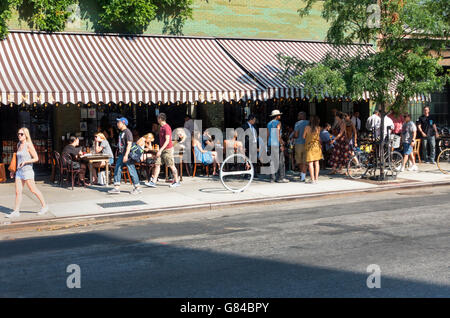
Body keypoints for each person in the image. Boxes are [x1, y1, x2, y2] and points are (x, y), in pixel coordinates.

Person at [6, 128, 49, 218]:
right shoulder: (18, 144)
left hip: (27, 171)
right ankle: (16, 211)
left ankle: (44, 206)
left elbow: (36, 158)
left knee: (33, 190)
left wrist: (26, 162)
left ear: (26, 135)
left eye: (21, 134)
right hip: (19, 172)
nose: (19, 135)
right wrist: (13, 171)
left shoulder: (28, 145)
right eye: (18, 134)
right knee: (18, 192)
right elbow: (18, 159)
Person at [145, 113, 181, 188]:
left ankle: (177, 181)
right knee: (157, 164)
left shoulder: (166, 128)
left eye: (158, 118)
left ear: (160, 119)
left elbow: (168, 140)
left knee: (171, 165)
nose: (157, 120)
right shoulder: (161, 127)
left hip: (167, 149)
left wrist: (160, 150)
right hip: (162, 149)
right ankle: (153, 182)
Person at [108, 117, 141, 195]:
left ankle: (137, 188)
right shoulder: (121, 132)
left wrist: (126, 155)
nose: (117, 124)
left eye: (118, 122)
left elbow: (129, 144)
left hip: (127, 154)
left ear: (123, 123)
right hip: (121, 154)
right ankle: (116, 187)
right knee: (117, 168)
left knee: (131, 170)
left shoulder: (127, 132)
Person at [267, 109, 289, 183]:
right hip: (276, 143)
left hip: (270, 143)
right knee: (281, 161)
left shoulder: (269, 123)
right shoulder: (278, 123)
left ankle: (272, 178)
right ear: (277, 116)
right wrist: (281, 143)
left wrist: (268, 143)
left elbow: (267, 134)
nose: (280, 116)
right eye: (279, 115)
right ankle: (281, 177)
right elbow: (278, 133)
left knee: (272, 161)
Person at [303, 115, 323, 183]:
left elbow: (303, 136)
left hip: (309, 146)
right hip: (317, 146)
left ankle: (312, 179)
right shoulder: (318, 128)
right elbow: (318, 138)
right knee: (317, 163)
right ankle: (316, 179)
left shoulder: (307, 127)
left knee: (310, 163)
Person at [293, 111, 309, 182]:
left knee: (299, 160)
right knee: (305, 160)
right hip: (307, 143)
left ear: (301, 116)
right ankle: (303, 175)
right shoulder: (309, 123)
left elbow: (296, 135)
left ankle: (302, 174)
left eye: (299, 115)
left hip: (299, 143)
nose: (298, 116)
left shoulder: (297, 124)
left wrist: (293, 136)